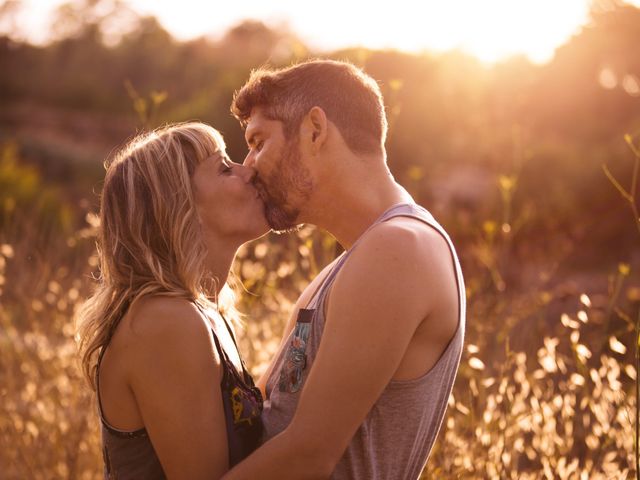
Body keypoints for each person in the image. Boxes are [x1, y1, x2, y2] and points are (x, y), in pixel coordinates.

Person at [224, 59, 466, 479]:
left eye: (259, 142)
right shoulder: (352, 264)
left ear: (314, 130)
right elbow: (267, 415)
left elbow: (309, 456)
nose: (248, 166)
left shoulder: (399, 249)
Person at [75, 122, 269, 479]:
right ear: (178, 205)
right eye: (225, 168)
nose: (250, 170)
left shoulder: (203, 314)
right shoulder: (165, 321)